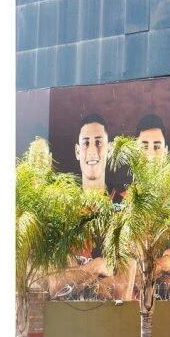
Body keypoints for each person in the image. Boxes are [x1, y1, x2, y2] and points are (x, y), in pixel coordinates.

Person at [47, 115, 136, 301]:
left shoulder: (126, 207)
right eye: (86, 143)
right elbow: (56, 287)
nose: (92, 150)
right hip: (70, 324)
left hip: (112, 324)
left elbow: (122, 289)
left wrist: (76, 276)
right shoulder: (62, 210)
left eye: (99, 142)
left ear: (109, 149)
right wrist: (97, 266)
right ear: (78, 151)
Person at [134, 115, 170, 301]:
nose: (151, 154)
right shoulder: (119, 204)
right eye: (144, 147)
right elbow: (111, 282)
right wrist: (165, 264)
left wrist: (146, 272)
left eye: (157, 147)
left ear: (166, 151)